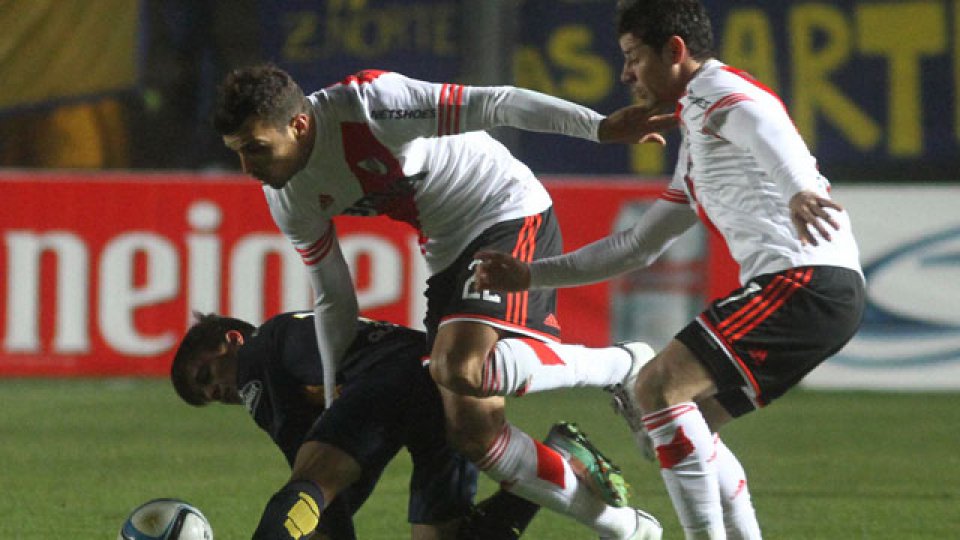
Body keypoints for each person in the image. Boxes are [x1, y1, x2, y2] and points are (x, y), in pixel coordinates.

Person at [212, 64, 666, 539]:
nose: (248, 167)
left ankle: (623, 366)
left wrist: (597, 127)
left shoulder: (372, 105)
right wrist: (332, 398)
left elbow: (496, 102)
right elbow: (333, 298)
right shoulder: (287, 197)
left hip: (504, 208)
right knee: (473, 432)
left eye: (255, 148)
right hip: (445, 252)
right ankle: (631, 529)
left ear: (299, 125)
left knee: (458, 366)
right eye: (238, 153)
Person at [473, 1, 866, 538]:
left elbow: (760, 118)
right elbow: (636, 245)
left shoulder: (713, 93)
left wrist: (797, 185)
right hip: (823, 291)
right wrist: (531, 275)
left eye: (634, 57)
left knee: (655, 387)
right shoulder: (696, 138)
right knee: (688, 427)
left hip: (803, 280)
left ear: (675, 51)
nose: (625, 74)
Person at [170, 310, 629, 539]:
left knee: (311, 481)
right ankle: (558, 456)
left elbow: (309, 464)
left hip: (396, 379)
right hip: (438, 375)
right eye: (207, 397)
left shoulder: (256, 354)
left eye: (206, 376)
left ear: (230, 340)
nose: (215, 392)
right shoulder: (295, 336)